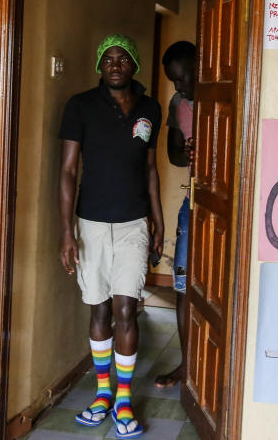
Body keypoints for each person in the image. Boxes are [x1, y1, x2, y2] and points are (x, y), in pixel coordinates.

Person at [59, 33, 164, 439]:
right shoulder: (80, 106)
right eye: (109, 58)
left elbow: (151, 169)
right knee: (99, 309)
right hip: (90, 224)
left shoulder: (151, 108)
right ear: (99, 65)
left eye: (123, 58)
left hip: (133, 224)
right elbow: (68, 172)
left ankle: (123, 399)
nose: (116, 64)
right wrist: (66, 231)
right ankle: (102, 394)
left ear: (134, 64)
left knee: (126, 309)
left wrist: (157, 221)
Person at [154, 41, 196, 389]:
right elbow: (174, 157)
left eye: (182, 79)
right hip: (193, 201)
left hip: (229, 204)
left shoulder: (227, 98)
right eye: (173, 81)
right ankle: (187, 366)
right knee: (181, 285)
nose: (178, 87)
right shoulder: (178, 104)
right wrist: (188, 150)